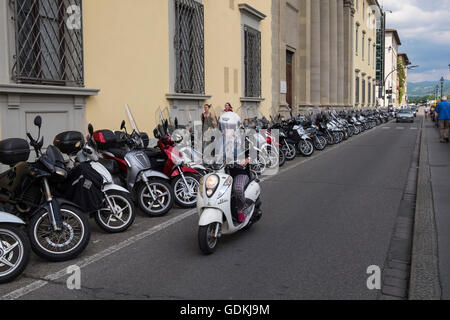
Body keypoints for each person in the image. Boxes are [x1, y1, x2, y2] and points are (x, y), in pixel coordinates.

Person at [219, 106, 251, 224]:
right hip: (223, 174)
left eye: (229, 127)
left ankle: (241, 209)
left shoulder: (243, 139)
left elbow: (255, 153)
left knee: (237, 189)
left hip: (240, 172)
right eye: (224, 127)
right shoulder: (219, 140)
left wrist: (246, 160)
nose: (226, 129)